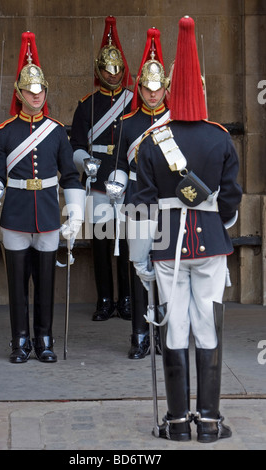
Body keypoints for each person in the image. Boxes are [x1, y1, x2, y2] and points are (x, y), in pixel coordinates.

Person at [129, 16, 242, 442]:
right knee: (208, 326)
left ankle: (177, 423)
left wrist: (140, 256)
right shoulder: (220, 138)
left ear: (172, 93)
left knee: (174, 326)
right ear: (203, 90)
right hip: (211, 243)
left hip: (165, 247)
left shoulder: (154, 139)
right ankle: (209, 422)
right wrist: (217, 219)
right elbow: (231, 197)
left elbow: (139, 202)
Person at [0, 32, 85, 364]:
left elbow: (69, 175)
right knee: (17, 285)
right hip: (15, 214)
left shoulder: (56, 131)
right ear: (19, 93)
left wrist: (76, 214)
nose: (36, 96)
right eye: (30, 91)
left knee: (45, 283)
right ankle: (20, 341)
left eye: (40, 92)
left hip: (49, 215)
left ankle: (44, 339)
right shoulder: (5, 130)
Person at [70, 16, 133, 322]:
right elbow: (76, 144)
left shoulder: (133, 103)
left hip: (127, 181)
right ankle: (105, 299)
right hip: (96, 179)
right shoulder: (86, 105)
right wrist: (85, 162)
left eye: (117, 68)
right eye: (107, 68)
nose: (113, 73)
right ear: (99, 70)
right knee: (100, 242)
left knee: (127, 239)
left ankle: (127, 298)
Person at [113, 28, 169, 359]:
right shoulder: (128, 122)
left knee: (164, 268)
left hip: (167, 200)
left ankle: (161, 333)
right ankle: (138, 335)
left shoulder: (176, 121)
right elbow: (120, 162)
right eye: (146, 88)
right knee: (138, 270)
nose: (151, 94)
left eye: (157, 88)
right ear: (140, 89)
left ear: (165, 88)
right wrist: (116, 183)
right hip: (137, 199)